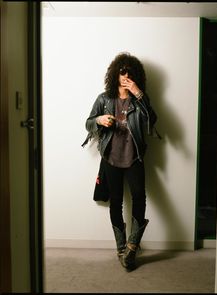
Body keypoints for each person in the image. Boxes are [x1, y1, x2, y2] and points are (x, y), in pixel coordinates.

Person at [82, 52, 159, 271]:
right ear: (115, 73)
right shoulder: (104, 99)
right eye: (122, 71)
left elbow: (152, 120)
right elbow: (87, 123)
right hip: (111, 158)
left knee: (139, 197)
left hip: (134, 157)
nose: (125, 75)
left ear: (135, 77)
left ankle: (132, 248)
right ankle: (120, 248)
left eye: (130, 73)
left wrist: (138, 93)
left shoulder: (140, 98)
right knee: (115, 202)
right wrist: (99, 119)